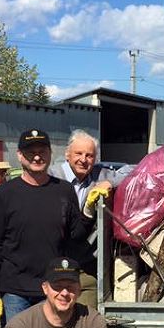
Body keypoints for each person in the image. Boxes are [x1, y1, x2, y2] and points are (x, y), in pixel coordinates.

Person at [0, 128, 92, 328]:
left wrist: (89, 213)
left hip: (53, 290)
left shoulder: (64, 191)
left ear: (51, 154)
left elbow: (75, 237)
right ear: (20, 156)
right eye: (31, 152)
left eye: (42, 151)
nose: (37, 156)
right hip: (15, 291)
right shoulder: (5, 194)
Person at [48, 130, 129, 308]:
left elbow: (132, 171)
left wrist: (110, 183)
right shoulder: (52, 177)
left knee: (85, 322)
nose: (83, 159)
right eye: (78, 154)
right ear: (67, 155)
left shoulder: (99, 175)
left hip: (85, 265)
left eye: (89, 155)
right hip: (54, 263)